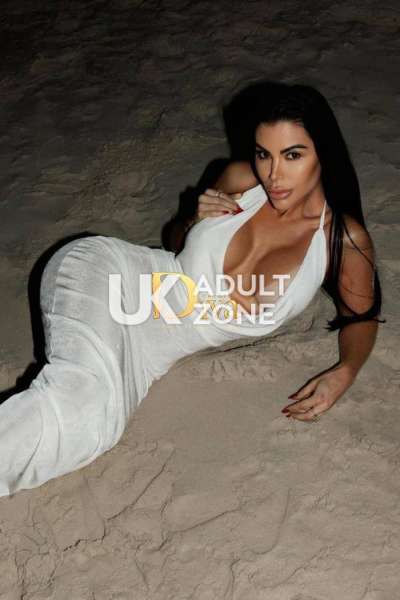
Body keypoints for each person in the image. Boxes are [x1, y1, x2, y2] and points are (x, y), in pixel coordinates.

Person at [0, 82, 385, 498]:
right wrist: (193, 220)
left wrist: (345, 372)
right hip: (110, 278)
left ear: (323, 152)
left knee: (95, 428)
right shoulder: (240, 179)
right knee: (81, 404)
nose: (273, 174)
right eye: (263, 154)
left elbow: (361, 318)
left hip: (147, 357)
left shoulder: (342, 240)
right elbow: (175, 245)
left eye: (292, 155)